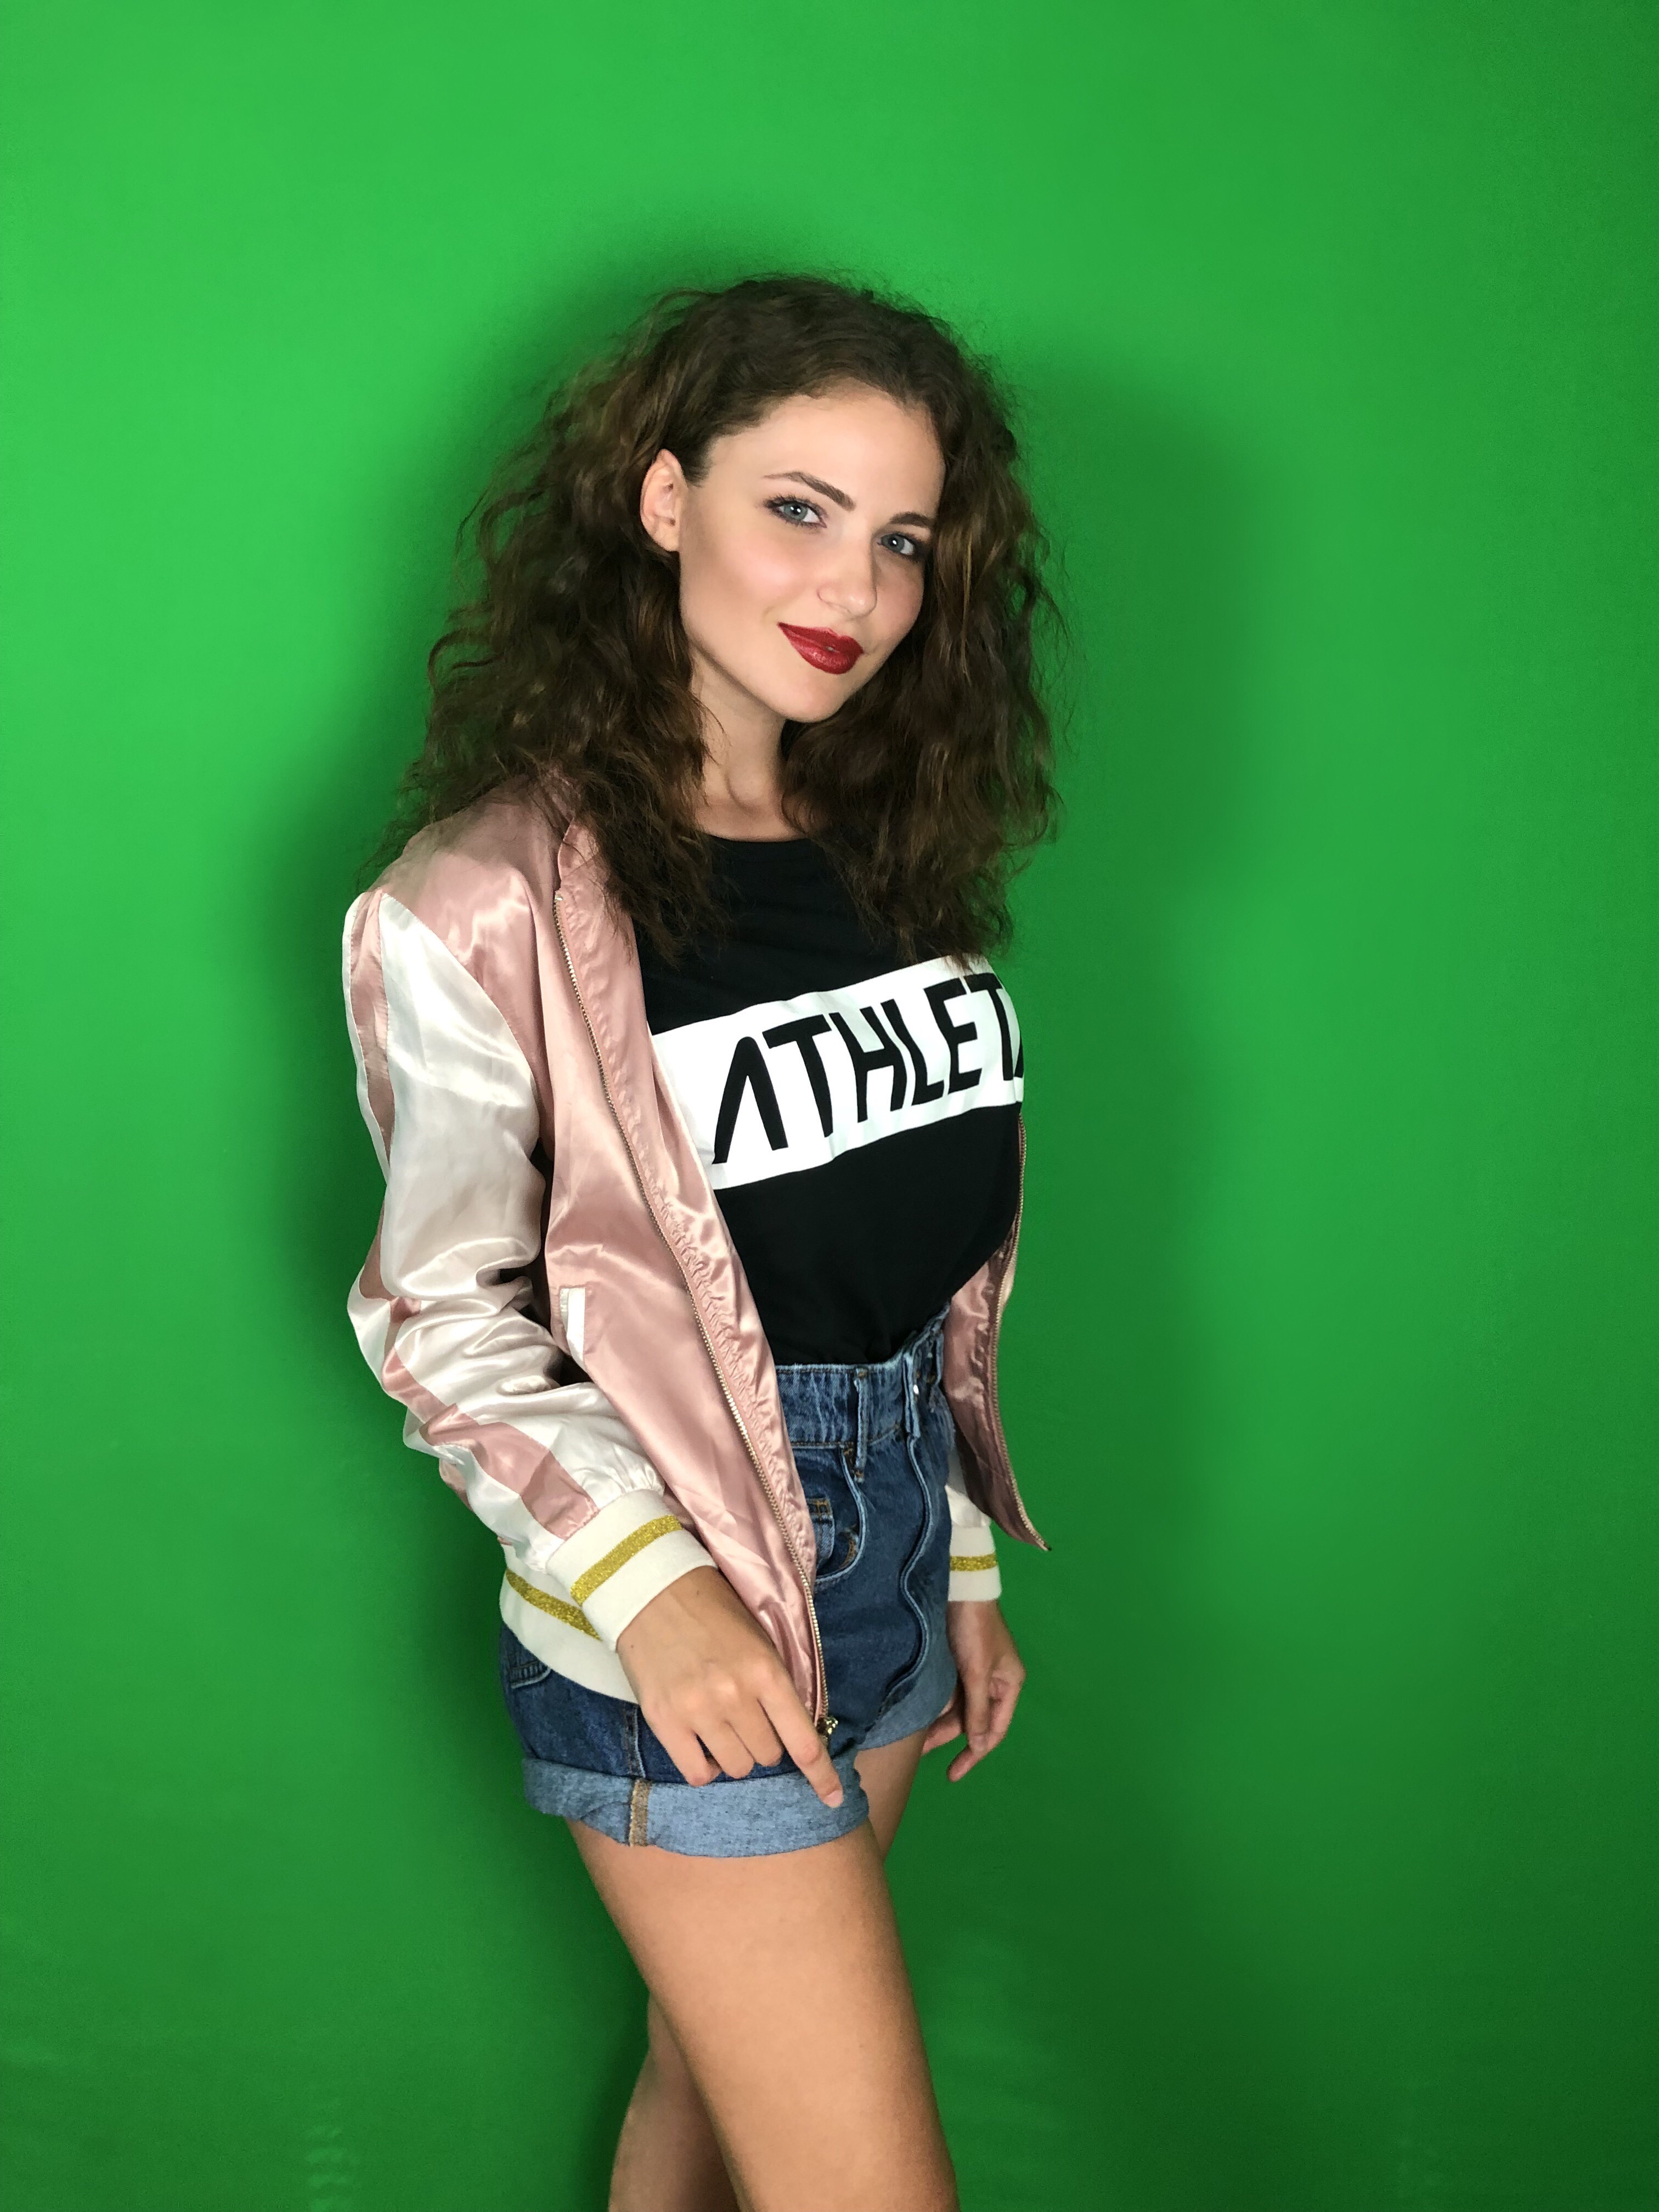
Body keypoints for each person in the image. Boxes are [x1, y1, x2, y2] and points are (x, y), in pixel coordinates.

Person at [342, 273, 1056, 2212]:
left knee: (704, 2088)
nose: (857, 587)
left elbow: (897, 1236)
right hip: (675, 1587)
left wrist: (954, 1544)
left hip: (888, 1545)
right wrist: (656, 1593)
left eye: (901, 539)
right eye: (797, 509)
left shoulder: (887, 850)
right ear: (665, 501)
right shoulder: (482, 899)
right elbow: (440, 1315)